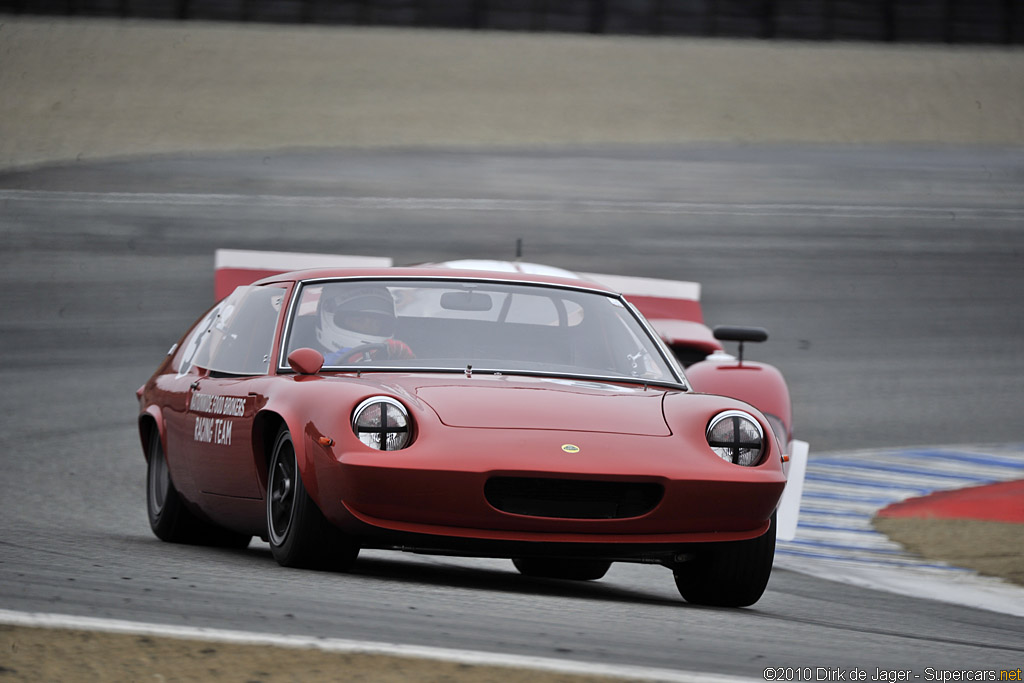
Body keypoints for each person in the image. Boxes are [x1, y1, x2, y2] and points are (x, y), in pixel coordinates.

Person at [316, 284, 415, 364]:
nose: (369, 328)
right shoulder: (311, 365)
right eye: (359, 320)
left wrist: (408, 364)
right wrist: (346, 359)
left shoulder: (391, 361)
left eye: (376, 323)